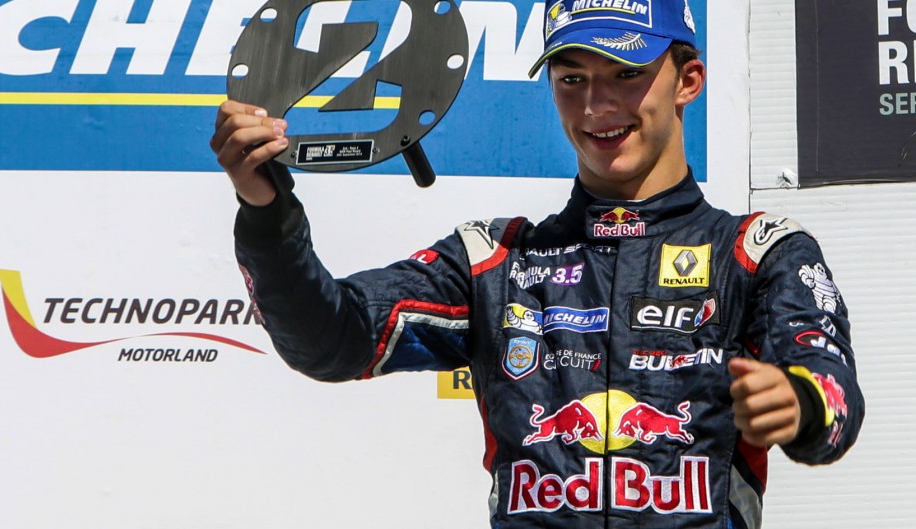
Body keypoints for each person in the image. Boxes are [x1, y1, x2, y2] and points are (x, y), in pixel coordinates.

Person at [210, 0, 863, 526]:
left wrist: (801, 403)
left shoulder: (755, 251)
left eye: (624, 73)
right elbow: (333, 341)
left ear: (687, 79)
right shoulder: (496, 260)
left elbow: (833, 398)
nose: (594, 106)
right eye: (572, 78)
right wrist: (264, 211)